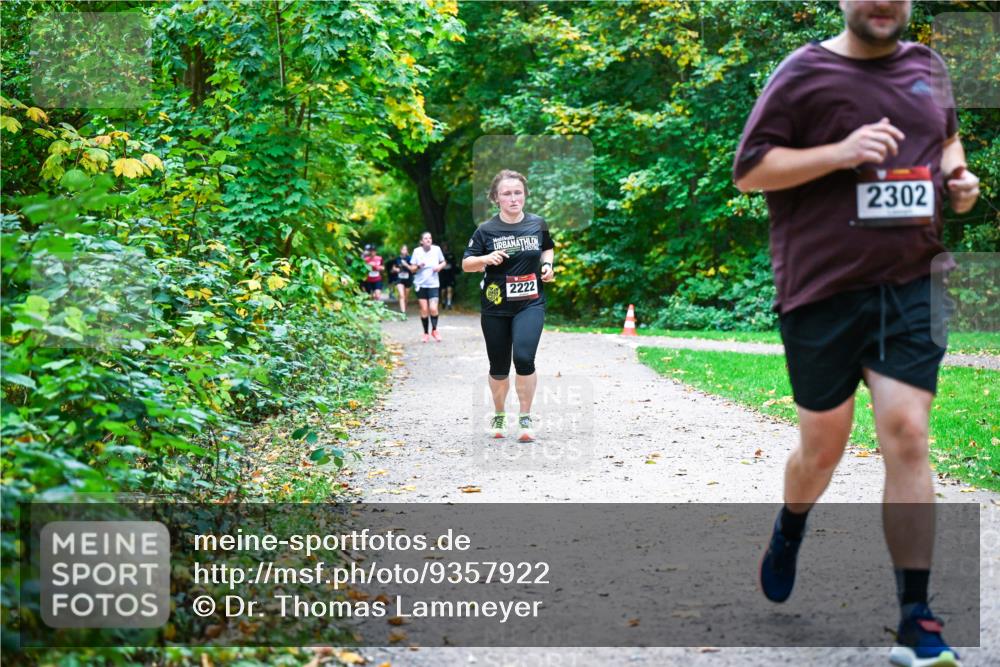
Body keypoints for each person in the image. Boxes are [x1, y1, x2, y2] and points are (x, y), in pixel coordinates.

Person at [733, 2, 980, 666]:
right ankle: (790, 527)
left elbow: (947, 136)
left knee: (907, 430)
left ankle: (916, 617)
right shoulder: (803, 73)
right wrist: (840, 153)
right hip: (822, 291)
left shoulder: (930, 66)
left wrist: (957, 177)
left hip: (910, 283)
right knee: (823, 447)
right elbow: (750, 169)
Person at [462, 169, 555, 442]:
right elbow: (467, 264)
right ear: (496, 198)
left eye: (518, 193)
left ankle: (525, 418)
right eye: (507, 194)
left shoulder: (538, 223)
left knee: (524, 358)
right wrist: (486, 258)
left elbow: (547, 247)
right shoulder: (486, 230)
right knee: (499, 366)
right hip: (495, 306)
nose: (513, 198)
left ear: (524, 195)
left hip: (530, 303)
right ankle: (499, 414)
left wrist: (547, 265)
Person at [410, 232, 446, 342]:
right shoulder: (417, 252)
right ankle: (425, 333)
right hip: (420, 284)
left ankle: (434, 330)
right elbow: (412, 269)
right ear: (421, 241)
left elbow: (444, 262)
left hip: (433, 284)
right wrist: (418, 266)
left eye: (430, 238)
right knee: (424, 309)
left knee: (433, 308)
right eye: (426, 238)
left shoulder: (437, 249)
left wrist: (439, 267)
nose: (428, 240)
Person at [389, 244, 414, 316]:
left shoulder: (410, 258)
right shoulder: (397, 259)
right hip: (399, 279)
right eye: (403, 249)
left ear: (407, 251)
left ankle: (404, 309)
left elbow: (413, 270)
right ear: (400, 250)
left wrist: (406, 265)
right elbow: (392, 270)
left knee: (406, 297)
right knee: (401, 295)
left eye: (405, 250)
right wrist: (395, 269)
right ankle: (403, 313)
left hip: (408, 279)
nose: (404, 251)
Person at [439, 242, 457, 309]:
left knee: (450, 289)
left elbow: (454, 264)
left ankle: (449, 303)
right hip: (443, 275)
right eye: (444, 246)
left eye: (446, 246)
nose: (445, 248)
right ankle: (443, 301)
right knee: (443, 290)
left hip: (450, 275)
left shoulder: (451, 255)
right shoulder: (440, 255)